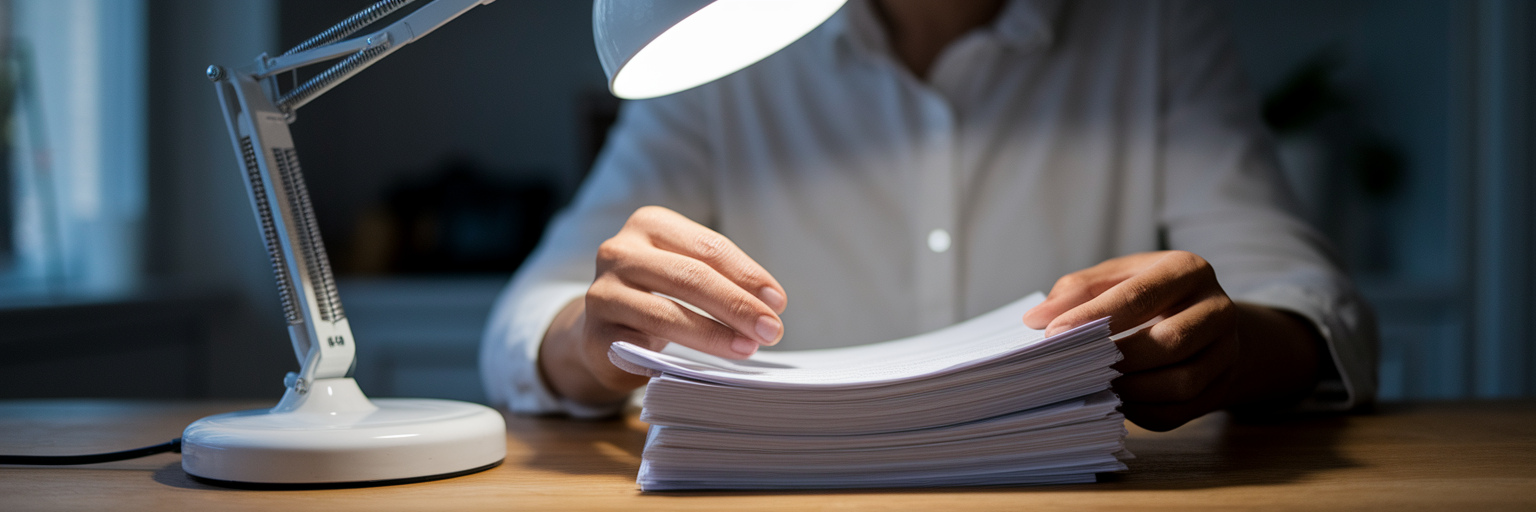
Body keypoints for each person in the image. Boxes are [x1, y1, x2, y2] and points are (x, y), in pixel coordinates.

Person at [480, 0, 1376, 431]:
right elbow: (528, 320)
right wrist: (590, 340)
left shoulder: (1147, 28)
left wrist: (1226, 346)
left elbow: (1314, 303)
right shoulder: (717, 42)